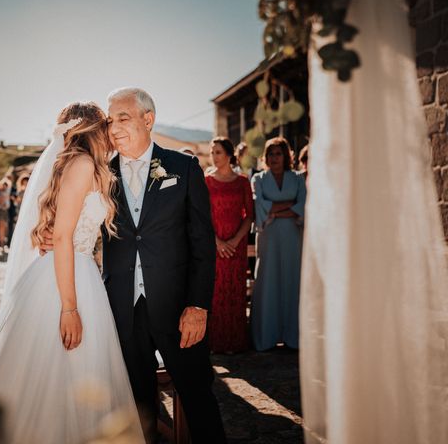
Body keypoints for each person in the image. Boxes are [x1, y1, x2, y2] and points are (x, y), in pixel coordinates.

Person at [0, 102, 143, 444]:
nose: (110, 130)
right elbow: (62, 237)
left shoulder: (92, 166)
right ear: (91, 129)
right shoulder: (81, 165)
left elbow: (74, 231)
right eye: (105, 124)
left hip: (79, 271)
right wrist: (69, 308)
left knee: (72, 374)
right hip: (66, 281)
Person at [99, 88, 225, 443]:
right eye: (110, 121)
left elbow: (202, 244)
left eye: (123, 118)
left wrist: (198, 306)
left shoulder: (182, 168)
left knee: (199, 397)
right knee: (137, 409)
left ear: (148, 119)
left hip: (178, 309)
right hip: (123, 312)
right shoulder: (101, 176)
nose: (114, 128)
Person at [250, 137, 306, 351]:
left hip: (293, 236)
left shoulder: (298, 178)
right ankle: (266, 336)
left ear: (286, 156)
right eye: (270, 154)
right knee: (268, 280)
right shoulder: (259, 179)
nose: (274, 158)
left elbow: (302, 205)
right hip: (269, 236)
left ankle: (294, 337)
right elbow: (260, 207)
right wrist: (286, 207)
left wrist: (274, 209)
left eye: (278, 153)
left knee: (293, 280)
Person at [205, 137, 254, 353]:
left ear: (229, 155)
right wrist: (217, 241)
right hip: (214, 243)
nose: (214, 157)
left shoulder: (243, 182)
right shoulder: (206, 181)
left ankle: (235, 342)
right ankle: (216, 343)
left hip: (236, 245)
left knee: (235, 291)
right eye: (212, 152)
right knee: (215, 292)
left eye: (218, 152)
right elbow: (202, 215)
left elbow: (249, 216)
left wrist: (233, 241)